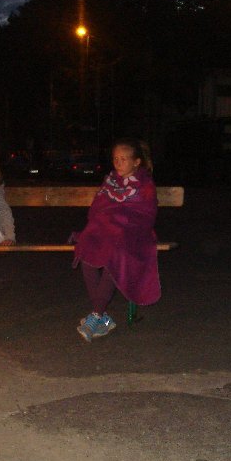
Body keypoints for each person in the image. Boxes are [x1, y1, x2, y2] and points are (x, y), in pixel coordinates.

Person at [73, 139, 161, 342]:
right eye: (115, 159)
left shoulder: (145, 184)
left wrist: (121, 222)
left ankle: (97, 315)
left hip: (132, 234)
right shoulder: (110, 181)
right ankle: (101, 317)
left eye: (123, 159)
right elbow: (98, 208)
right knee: (86, 252)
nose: (118, 163)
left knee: (115, 256)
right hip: (105, 231)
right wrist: (105, 222)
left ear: (136, 162)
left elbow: (145, 214)